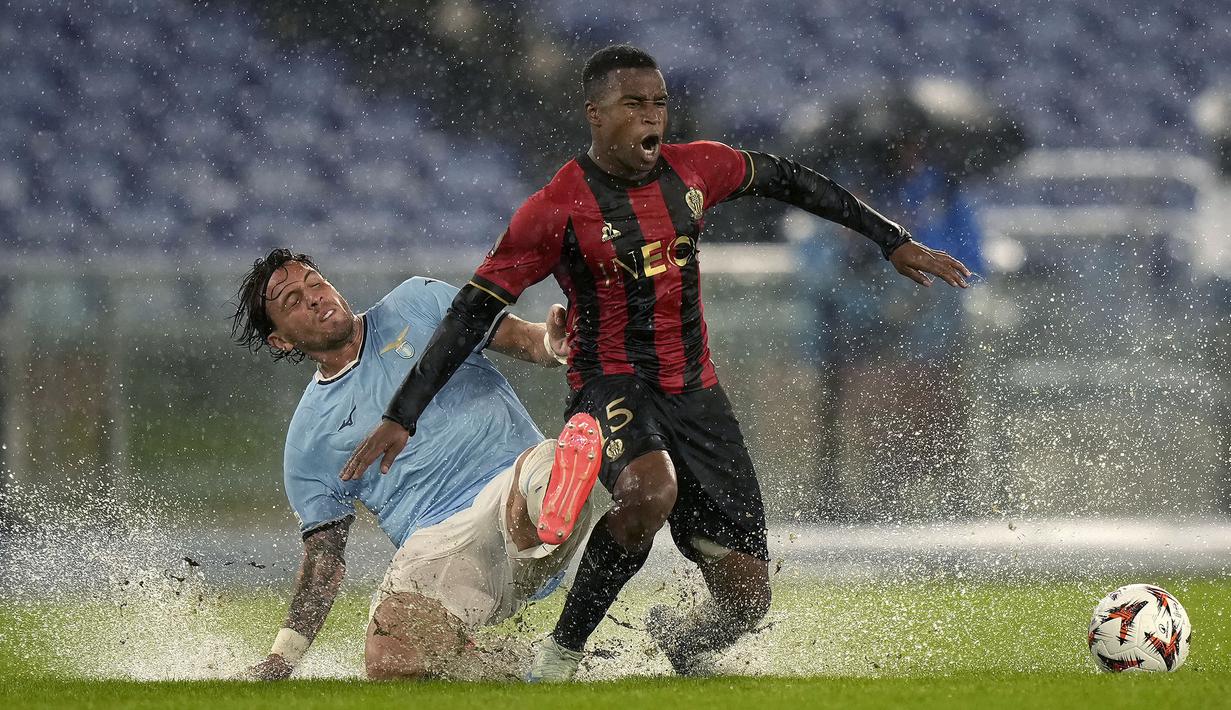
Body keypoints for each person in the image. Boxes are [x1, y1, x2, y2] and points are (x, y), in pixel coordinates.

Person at [342, 45, 972, 681]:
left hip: (696, 393)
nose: (652, 117)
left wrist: (892, 241)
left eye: (660, 104)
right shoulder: (555, 208)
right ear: (595, 114)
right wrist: (404, 415)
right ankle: (559, 657)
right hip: (609, 385)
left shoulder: (697, 171)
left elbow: (786, 177)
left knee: (747, 595)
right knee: (650, 491)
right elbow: (472, 313)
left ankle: (682, 642)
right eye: (635, 105)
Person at [229, 248, 605, 681]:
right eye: (292, 301)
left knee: (538, 475)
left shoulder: (417, 301)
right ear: (280, 340)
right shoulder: (307, 440)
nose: (313, 297)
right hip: (440, 541)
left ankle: (558, 487)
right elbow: (323, 561)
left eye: (314, 283)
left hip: (512, 484)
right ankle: (520, 676)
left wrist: (554, 343)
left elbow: (525, 340)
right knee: (390, 659)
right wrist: (281, 660)